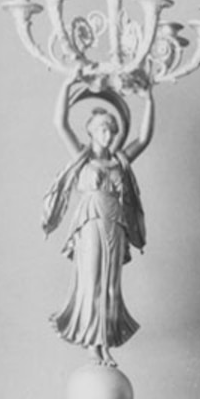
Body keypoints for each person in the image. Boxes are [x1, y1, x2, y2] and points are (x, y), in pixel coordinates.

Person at [40, 77, 151, 361]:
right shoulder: (83, 157)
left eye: (111, 130)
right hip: (89, 222)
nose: (108, 134)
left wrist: (149, 99)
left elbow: (145, 136)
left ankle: (104, 341)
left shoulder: (120, 161)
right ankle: (91, 340)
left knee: (111, 283)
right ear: (91, 131)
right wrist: (66, 85)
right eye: (103, 129)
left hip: (115, 223)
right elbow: (59, 123)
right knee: (91, 280)